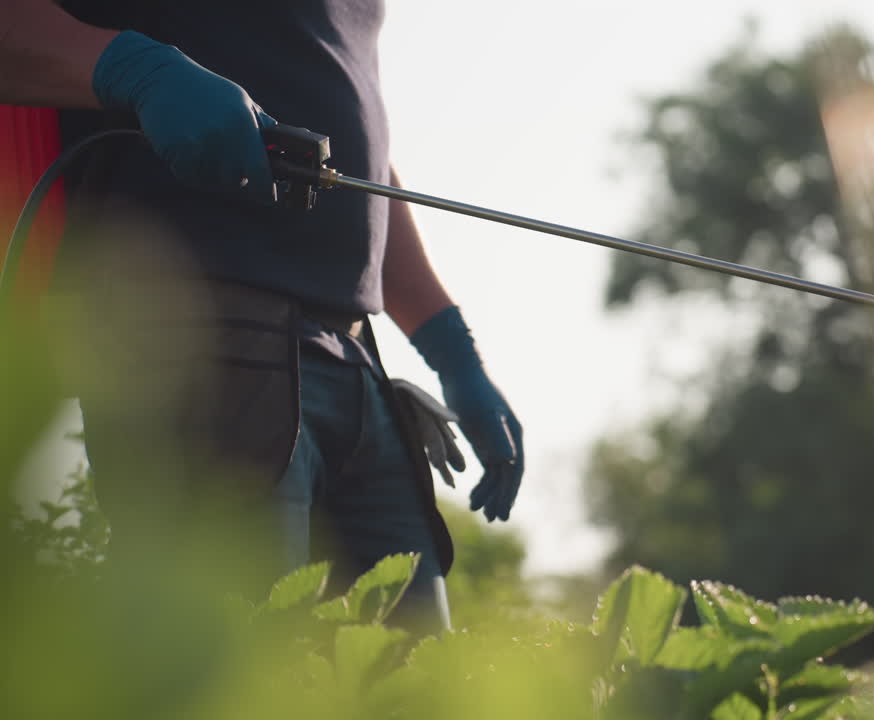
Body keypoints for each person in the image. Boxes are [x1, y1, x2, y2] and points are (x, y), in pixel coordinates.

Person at [0, 0, 525, 631]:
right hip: (198, 336)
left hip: (356, 362)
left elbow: (353, 165)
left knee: (415, 685)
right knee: (232, 671)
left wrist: (452, 350)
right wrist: (134, 69)